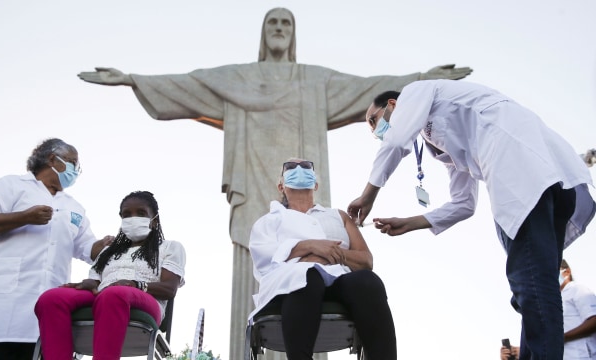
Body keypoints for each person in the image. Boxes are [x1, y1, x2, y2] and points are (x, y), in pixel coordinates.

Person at [77, 8, 472, 358]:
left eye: (287, 23)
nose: (280, 28)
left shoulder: (315, 83)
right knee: (303, 278)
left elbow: (368, 87)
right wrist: (132, 79)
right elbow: (191, 84)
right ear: (281, 184)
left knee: (355, 284)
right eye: (273, 23)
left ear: (314, 180)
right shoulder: (239, 80)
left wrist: (422, 80)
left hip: (335, 269)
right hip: (252, 176)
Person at [347, 79, 596, 359]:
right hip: (549, 179)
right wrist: (411, 222)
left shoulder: (417, 92)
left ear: (393, 105)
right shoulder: (442, 138)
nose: (376, 132)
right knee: (534, 287)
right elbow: (464, 203)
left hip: (522, 176)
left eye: (374, 120)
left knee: (532, 286)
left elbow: (395, 141)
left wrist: (367, 195)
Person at [0, 138, 113, 360]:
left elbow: (87, 249)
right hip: (4, 305)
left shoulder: (74, 207)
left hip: (48, 307)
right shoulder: (11, 185)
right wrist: (25, 217)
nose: (76, 171)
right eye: (72, 162)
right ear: (52, 159)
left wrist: (105, 246)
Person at [249, 158, 397, 360]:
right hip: (292, 285)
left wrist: (334, 253)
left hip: (338, 278)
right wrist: (310, 246)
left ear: (316, 184)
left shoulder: (338, 216)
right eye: (291, 167)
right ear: (280, 185)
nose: (299, 169)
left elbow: (366, 261)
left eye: (306, 166)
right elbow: (264, 257)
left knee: (368, 282)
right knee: (307, 276)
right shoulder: (269, 221)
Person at [34, 190, 186, 360]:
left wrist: (135, 284)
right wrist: (89, 283)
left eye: (141, 213)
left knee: (114, 294)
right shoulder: (109, 251)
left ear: (154, 220)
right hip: (104, 295)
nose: (132, 218)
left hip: (144, 299)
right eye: (126, 215)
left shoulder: (170, 247)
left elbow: (169, 289)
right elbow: (96, 280)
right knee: (52, 298)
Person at [559, 259, 596, 359]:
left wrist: (563, 337)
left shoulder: (577, 289)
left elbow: (593, 320)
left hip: (584, 355)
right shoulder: (556, 298)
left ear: (567, 272)